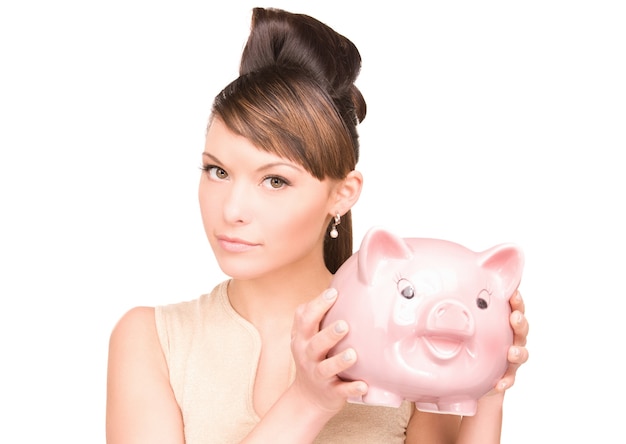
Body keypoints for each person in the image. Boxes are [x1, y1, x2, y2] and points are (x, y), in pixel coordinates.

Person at [106, 7, 529, 444]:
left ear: (342, 193)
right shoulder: (152, 338)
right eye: (217, 171)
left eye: (274, 180)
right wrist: (308, 402)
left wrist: (486, 385)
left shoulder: (404, 328)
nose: (231, 209)